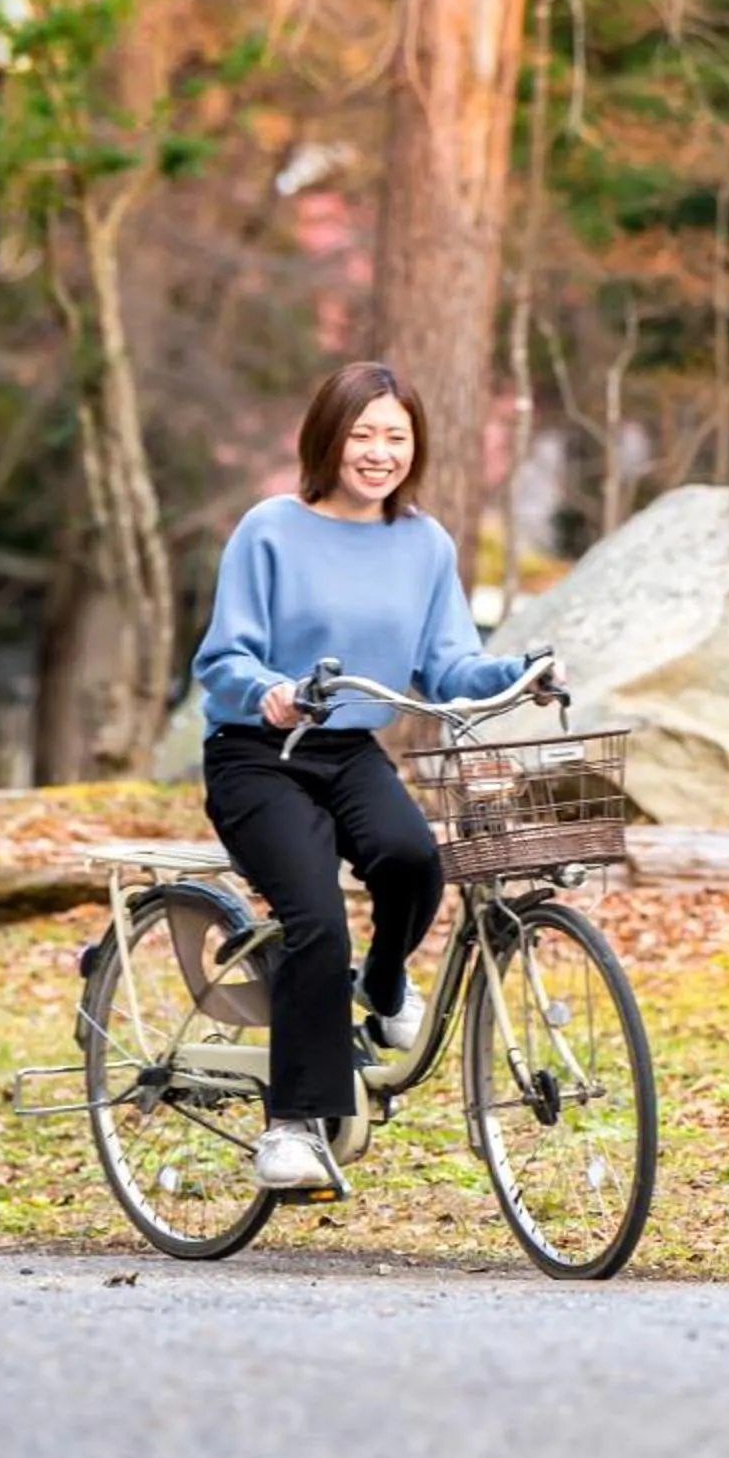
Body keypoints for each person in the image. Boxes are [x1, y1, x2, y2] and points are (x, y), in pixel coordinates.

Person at [190, 359, 554, 1194]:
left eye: (396, 436)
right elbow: (223, 655)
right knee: (316, 917)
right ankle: (292, 1128)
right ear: (329, 439)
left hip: (350, 747)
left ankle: (384, 984)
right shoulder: (270, 529)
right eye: (363, 435)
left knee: (415, 858)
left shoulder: (424, 543)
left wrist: (517, 671)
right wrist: (268, 691)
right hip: (258, 753)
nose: (379, 452)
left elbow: (447, 663)